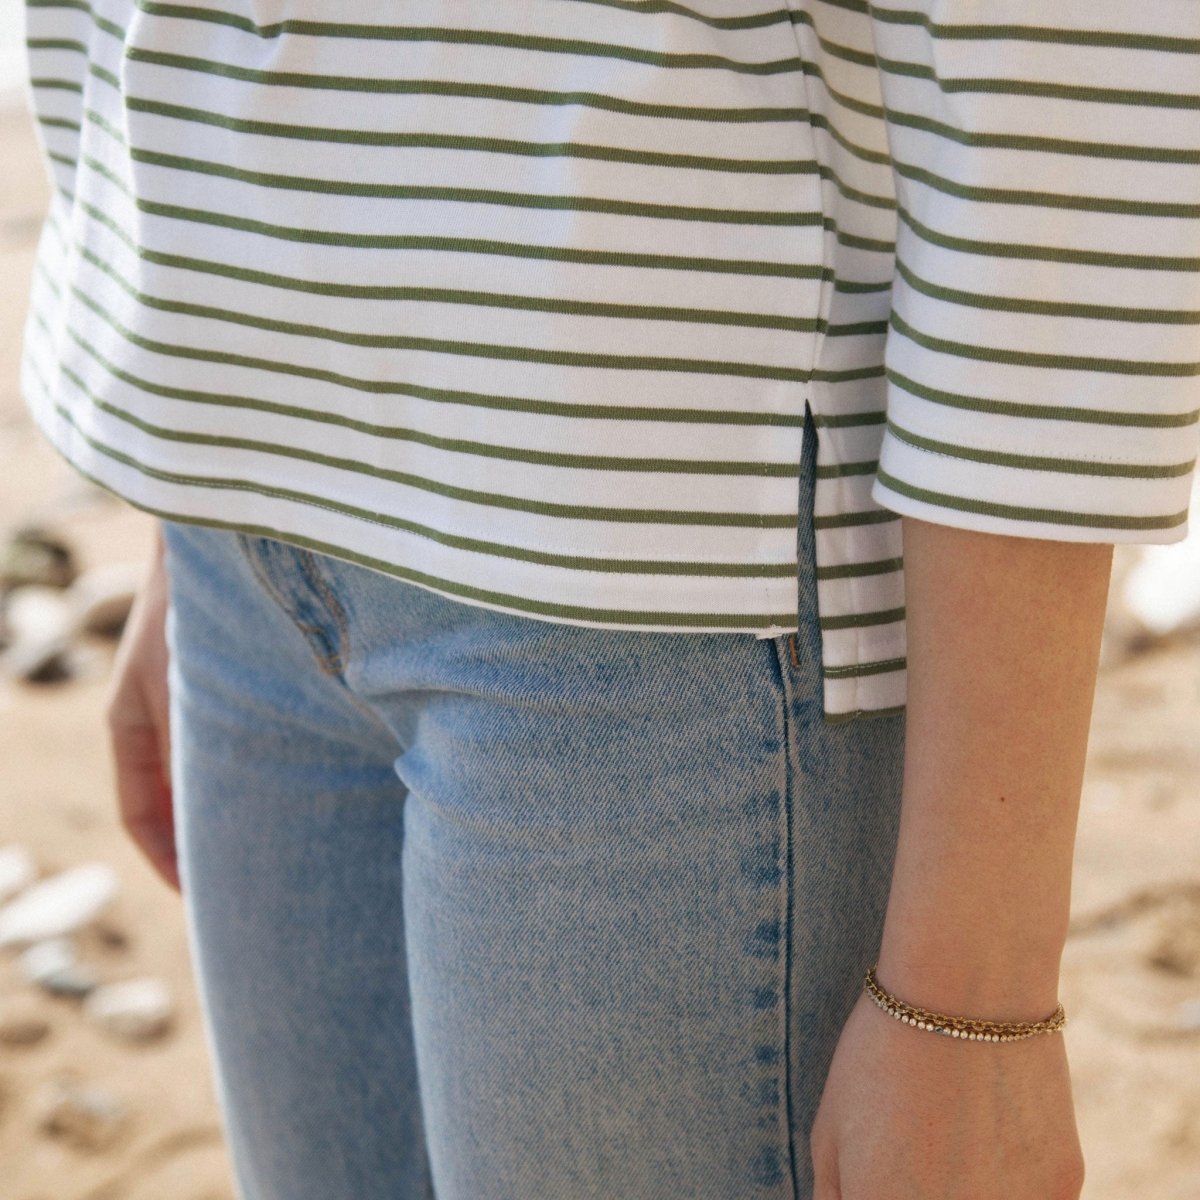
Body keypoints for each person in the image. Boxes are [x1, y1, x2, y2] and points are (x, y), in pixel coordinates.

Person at [19, 2, 1200, 1198]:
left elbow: (1067, 83)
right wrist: (180, 446)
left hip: (648, 602)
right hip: (237, 533)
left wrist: (975, 993)